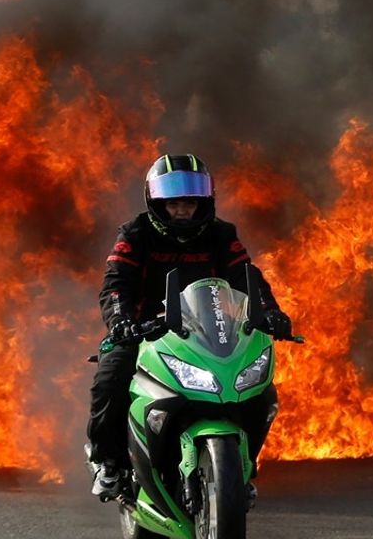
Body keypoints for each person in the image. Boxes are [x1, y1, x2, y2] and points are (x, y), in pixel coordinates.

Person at [85, 154, 292, 499]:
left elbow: (246, 277)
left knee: (261, 390)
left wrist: (270, 312)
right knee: (110, 378)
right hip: (145, 331)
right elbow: (115, 284)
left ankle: (242, 468)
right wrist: (120, 321)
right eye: (174, 203)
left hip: (209, 331)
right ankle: (108, 463)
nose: (183, 211)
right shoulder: (135, 234)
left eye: (190, 203)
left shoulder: (222, 234)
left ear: (204, 203)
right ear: (157, 202)